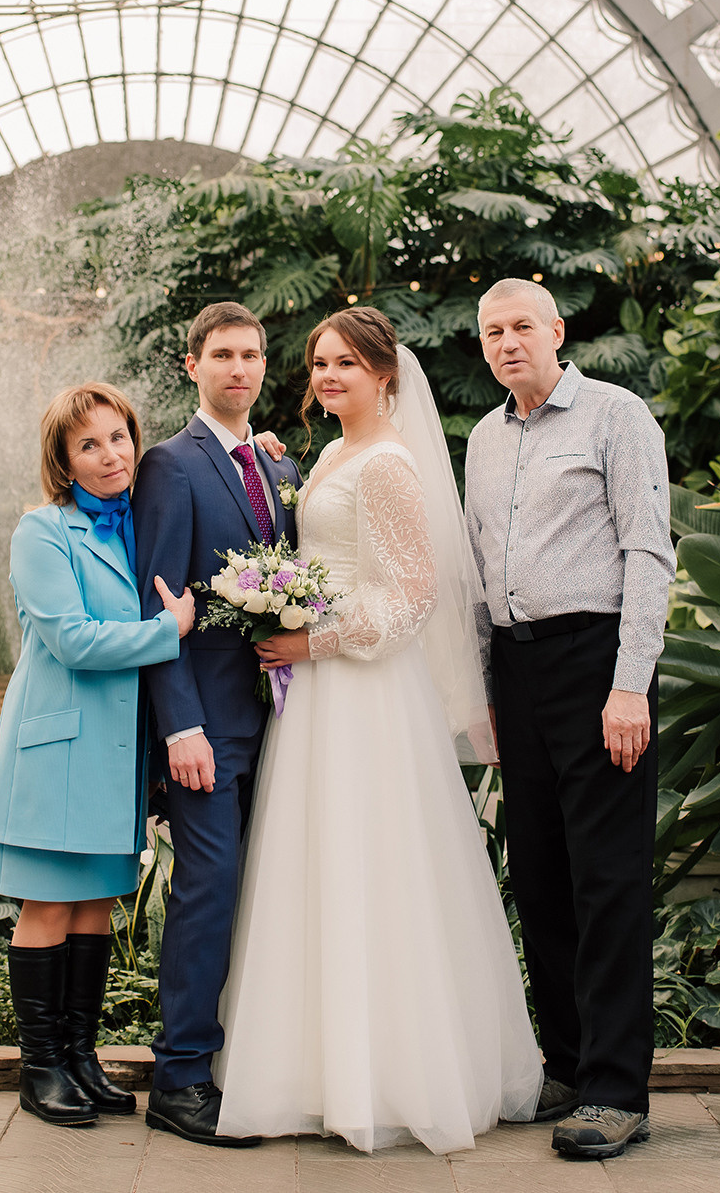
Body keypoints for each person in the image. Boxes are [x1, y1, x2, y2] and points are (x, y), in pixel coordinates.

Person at [214, 307, 542, 1155]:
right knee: (319, 870)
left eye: (347, 364)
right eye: (321, 362)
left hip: (364, 692)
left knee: (375, 868)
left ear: (386, 375)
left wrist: (310, 639)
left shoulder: (392, 463)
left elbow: (412, 594)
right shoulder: (325, 454)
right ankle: (320, 1072)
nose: (328, 376)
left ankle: (394, 1073)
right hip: (319, 696)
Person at [463, 278, 675, 1160]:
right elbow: (477, 570)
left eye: (521, 326)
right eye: (492, 331)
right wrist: (485, 694)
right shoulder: (480, 437)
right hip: (516, 669)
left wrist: (631, 684)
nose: (507, 341)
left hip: (597, 667)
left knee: (607, 879)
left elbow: (649, 549)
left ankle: (618, 1089)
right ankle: (568, 1062)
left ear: (557, 330)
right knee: (542, 874)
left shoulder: (617, 417)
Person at [0, 381, 197, 1128]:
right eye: (90, 444)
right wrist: (168, 632)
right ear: (64, 462)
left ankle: (80, 1056)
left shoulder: (133, 526)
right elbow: (70, 639)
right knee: (47, 906)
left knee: (97, 905)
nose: (111, 454)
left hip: (114, 761)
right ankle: (40, 1067)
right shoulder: (41, 531)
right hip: (57, 753)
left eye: (119, 436)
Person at [134, 303, 301, 1147]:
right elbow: (158, 606)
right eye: (223, 355)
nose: (240, 368)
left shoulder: (273, 465)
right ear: (190, 364)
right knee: (208, 891)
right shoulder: (169, 464)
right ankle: (182, 1074)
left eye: (252, 354)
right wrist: (180, 728)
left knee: (266, 896)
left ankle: (250, 1062)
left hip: (281, 720)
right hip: (209, 727)